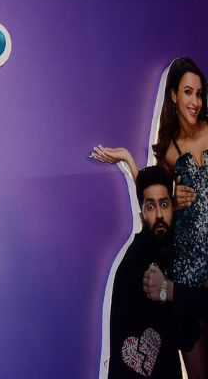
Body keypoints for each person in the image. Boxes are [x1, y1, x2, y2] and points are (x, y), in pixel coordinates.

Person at [94, 57, 208, 376]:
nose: (195, 101)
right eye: (187, 92)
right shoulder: (168, 149)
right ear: (173, 95)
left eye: (199, 93)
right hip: (188, 264)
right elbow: (156, 196)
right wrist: (130, 162)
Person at [108, 166, 198, 378]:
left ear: (173, 208)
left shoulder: (167, 255)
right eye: (150, 207)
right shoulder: (140, 264)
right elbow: (187, 335)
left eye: (164, 205)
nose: (159, 215)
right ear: (141, 214)